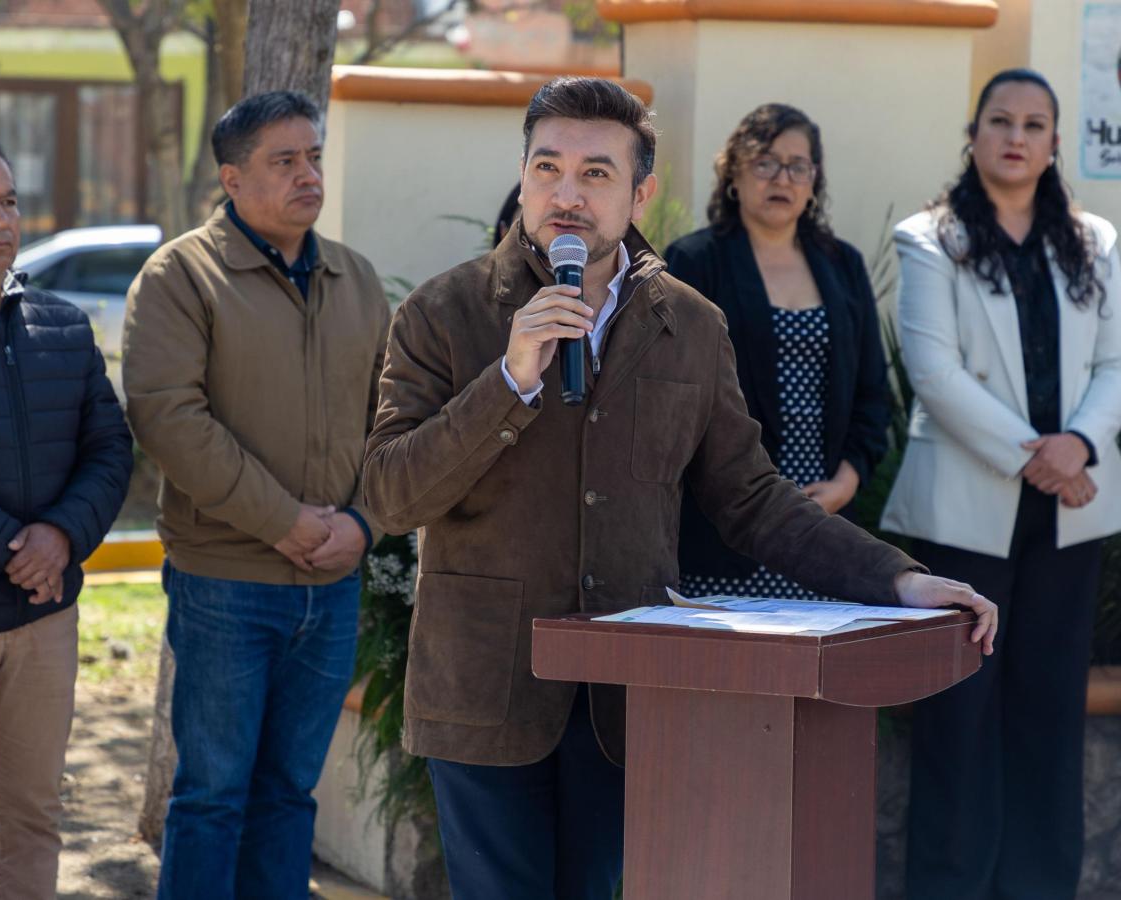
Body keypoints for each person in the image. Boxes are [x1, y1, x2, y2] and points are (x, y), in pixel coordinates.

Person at [362, 76, 998, 900]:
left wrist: (900, 580)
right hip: (484, 683)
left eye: (595, 173)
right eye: (548, 168)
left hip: (628, 695)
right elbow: (391, 495)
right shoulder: (443, 313)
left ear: (640, 194)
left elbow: (752, 497)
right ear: (523, 178)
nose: (566, 194)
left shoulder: (690, 324)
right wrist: (509, 380)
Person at [122, 91, 389, 900]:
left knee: (288, 796)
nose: (309, 175)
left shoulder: (355, 278)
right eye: (285, 161)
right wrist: (284, 523)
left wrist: (363, 523)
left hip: (332, 582)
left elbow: (393, 419)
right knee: (212, 798)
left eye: (314, 157)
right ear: (232, 179)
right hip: (226, 584)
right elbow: (169, 419)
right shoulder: (181, 276)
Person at [880, 68, 1121, 899]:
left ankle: (1039, 886)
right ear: (974, 133)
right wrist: (1038, 457)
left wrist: (1080, 444)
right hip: (965, 511)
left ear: (1054, 142)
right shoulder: (929, 237)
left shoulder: (1096, 241)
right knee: (959, 714)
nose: (1016, 136)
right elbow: (934, 373)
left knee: (1049, 712)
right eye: (1000, 121)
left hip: (1071, 512)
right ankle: (949, 885)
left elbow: (1116, 363)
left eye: (1034, 124)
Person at [0, 126, 132, 900]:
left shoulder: (63, 325)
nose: (0, 218)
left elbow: (109, 449)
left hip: (45, 620)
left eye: (8, 201)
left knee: (35, 818)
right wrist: (20, 549)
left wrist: (62, 536)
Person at [665, 104, 890, 600]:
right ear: (734, 174)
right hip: (722, 530)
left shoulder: (844, 266)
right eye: (764, 162)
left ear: (813, 181)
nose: (781, 178)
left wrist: (848, 480)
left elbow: (873, 394)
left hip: (825, 523)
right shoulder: (694, 261)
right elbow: (672, 397)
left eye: (797, 166)